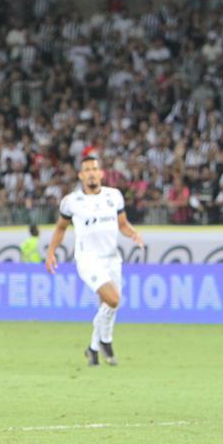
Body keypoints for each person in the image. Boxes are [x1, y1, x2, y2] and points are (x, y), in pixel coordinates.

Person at [45, 151, 143, 367]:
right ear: (80, 176)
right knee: (114, 299)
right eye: (87, 170)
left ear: (101, 174)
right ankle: (105, 340)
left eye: (94, 169)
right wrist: (51, 252)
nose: (91, 174)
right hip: (88, 259)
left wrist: (133, 234)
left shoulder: (114, 196)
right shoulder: (71, 202)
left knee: (109, 306)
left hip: (111, 258)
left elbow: (123, 224)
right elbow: (61, 228)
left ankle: (94, 348)